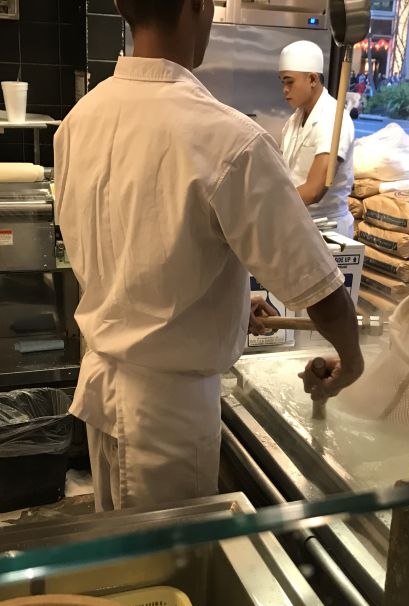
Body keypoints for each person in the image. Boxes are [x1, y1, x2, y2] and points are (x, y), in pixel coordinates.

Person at [53, 0, 363, 512]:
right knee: (167, 574)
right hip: (167, 420)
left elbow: (143, 263)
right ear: (198, 6)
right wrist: (350, 360)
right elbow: (321, 288)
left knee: (128, 574)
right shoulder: (228, 139)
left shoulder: (78, 120)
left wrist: (234, 307)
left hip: (102, 391)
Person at [279, 40, 356, 238]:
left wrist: (270, 204)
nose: (285, 90)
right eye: (283, 83)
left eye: (290, 82)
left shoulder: (333, 118)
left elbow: (315, 190)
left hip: (328, 230)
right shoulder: (295, 119)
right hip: (298, 222)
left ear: (312, 79)